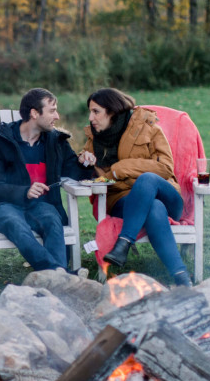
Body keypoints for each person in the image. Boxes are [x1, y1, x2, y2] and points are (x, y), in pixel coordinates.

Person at [78, 87, 192, 287]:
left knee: (147, 180)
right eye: (90, 111)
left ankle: (124, 242)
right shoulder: (94, 140)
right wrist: (83, 159)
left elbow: (165, 168)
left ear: (112, 112)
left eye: (96, 111)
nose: (91, 117)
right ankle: (182, 277)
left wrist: (119, 169)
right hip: (124, 202)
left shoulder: (149, 128)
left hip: (167, 196)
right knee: (154, 208)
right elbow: (86, 177)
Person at [0, 88, 93, 274]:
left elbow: (76, 171)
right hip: (4, 205)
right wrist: (24, 191)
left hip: (41, 204)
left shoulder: (55, 142)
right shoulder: (0, 142)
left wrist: (87, 162)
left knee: (52, 221)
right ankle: (59, 274)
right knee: (15, 224)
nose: (56, 116)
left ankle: (57, 276)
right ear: (34, 113)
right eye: (51, 110)